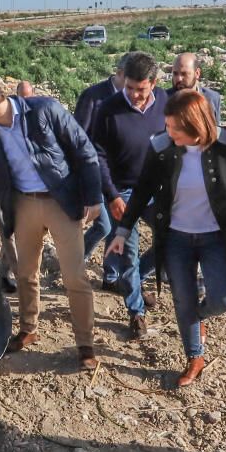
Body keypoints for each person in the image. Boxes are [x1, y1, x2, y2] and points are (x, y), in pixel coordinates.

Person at [108, 90, 226, 386]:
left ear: (195, 125)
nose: (168, 132)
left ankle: (196, 317)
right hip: (176, 238)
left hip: (216, 237)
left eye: (175, 128)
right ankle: (194, 357)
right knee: (183, 299)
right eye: (168, 126)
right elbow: (142, 191)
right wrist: (123, 230)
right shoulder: (163, 147)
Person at [0, 71, 102, 371]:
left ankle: (85, 344)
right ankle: (28, 329)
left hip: (61, 200)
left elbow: (84, 150)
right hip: (23, 203)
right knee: (25, 272)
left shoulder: (44, 111)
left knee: (74, 276)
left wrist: (93, 197)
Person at [91, 52, 167, 339]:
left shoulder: (165, 103)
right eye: (130, 88)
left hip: (157, 190)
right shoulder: (107, 109)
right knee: (129, 252)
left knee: (170, 238)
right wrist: (111, 195)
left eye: (141, 89)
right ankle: (136, 312)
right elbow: (97, 154)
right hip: (122, 192)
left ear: (154, 83)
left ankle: (137, 278)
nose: (134, 95)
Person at [74, 54, 129, 263]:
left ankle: (109, 274)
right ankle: (76, 260)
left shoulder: (128, 99)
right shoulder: (93, 96)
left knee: (114, 225)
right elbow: (77, 136)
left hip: (116, 175)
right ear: (120, 73)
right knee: (104, 225)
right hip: (93, 172)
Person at [171, 52, 221, 123]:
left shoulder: (212, 98)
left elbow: (216, 130)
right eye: (175, 74)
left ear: (197, 73)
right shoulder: (162, 99)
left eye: (184, 74)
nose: (179, 79)